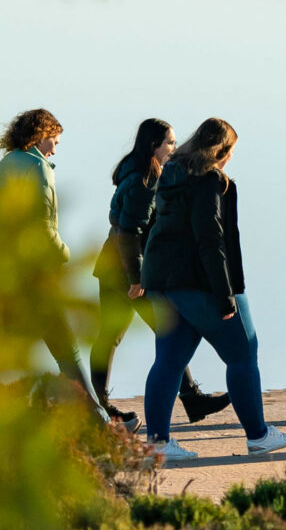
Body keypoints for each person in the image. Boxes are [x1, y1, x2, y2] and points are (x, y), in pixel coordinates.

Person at [136, 117, 286, 461]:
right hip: (200, 283)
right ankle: (257, 435)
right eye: (231, 152)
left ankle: (157, 443)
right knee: (242, 354)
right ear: (221, 150)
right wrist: (226, 295)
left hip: (161, 281)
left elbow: (153, 226)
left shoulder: (171, 173)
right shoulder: (208, 180)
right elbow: (211, 239)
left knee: (168, 360)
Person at [90, 117, 233, 432]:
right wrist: (137, 279)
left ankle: (187, 397)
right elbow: (128, 232)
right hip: (126, 270)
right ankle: (104, 408)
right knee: (146, 332)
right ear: (153, 145)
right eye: (169, 142)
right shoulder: (144, 180)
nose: (174, 146)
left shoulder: (142, 172)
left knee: (147, 333)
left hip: (122, 266)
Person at [0, 106, 102, 413]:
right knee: (66, 347)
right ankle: (96, 418)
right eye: (54, 141)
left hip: (5, 270)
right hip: (36, 272)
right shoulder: (37, 167)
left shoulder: (5, 164)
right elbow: (44, 222)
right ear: (41, 136)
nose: (55, 149)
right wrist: (63, 252)